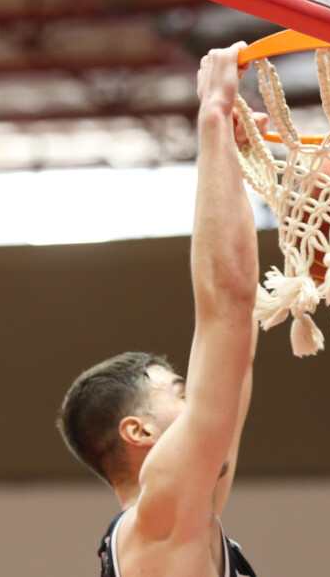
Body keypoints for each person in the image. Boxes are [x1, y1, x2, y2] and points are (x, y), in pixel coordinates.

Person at [58, 42, 269, 576]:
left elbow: (237, 333)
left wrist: (233, 165)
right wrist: (213, 116)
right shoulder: (158, 524)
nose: (196, 391)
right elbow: (227, 306)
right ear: (139, 432)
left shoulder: (186, 523)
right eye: (178, 391)